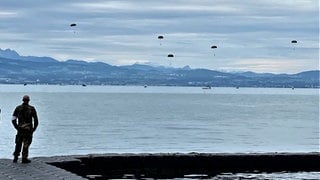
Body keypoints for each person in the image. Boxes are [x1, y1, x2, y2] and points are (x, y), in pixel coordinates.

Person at [11, 95, 38, 163]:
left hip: (20, 129)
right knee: (26, 144)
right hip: (28, 129)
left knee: (18, 143)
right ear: (29, 100)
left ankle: (15, 157)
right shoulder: (32, 109)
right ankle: (24, 158)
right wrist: (34, 129)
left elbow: (13, 119)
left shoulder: (18, 108)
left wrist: (16, 127)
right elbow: (36, 120)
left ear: (22, 100)